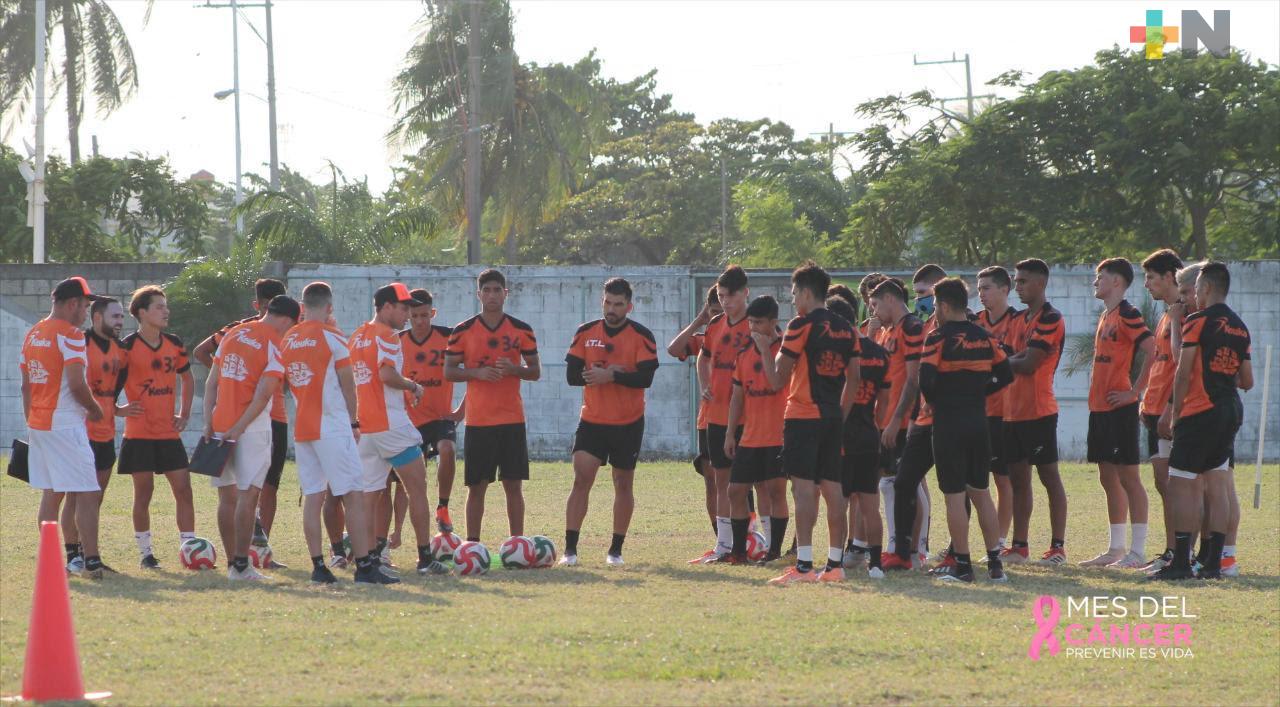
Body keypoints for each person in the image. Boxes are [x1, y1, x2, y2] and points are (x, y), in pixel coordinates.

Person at [280, 282, 385, 584]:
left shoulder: (289, 339)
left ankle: (318, 566)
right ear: (329, 308)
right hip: (332, 425)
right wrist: (354, 421)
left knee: (314, 496)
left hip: (303, 428)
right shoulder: (332, 336)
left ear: (302, 307)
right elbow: (348, 382)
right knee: (352, 493)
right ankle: (365, 566)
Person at [1154, 262, 1252, 581]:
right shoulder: (1240, 327)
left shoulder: (1197, 321)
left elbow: (1183, 371)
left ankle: (1181, 562)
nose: (1193, 294)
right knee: (1217, 484)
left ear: (1207, 288)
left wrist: (1177, 411)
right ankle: (1213, 564)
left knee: (1181, 483)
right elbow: (1247, 380)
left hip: (1200, 410)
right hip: (1231, 410)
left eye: (1195, 288)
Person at [766, 261, 860, 585]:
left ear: (806, 292)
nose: (793, 300)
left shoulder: (800, 325)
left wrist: (767, 349)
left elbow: (778, 379)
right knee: (834, 492)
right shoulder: (848, 329)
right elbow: (855, 378)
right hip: (833, 417)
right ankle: (835, 566)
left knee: (803, 491)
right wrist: (840, 414)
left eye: (794, 293)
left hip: (803, 417)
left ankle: (804, 567)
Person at [918, 278, 1013, 583]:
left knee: (954, 496)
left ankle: (964, 566)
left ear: (944, 305)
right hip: (978, 422)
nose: (934, 311)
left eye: (935, 305)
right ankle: (996, 564)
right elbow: (1006, 374)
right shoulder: (985, 337)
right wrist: (980, 392)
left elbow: (926, 382)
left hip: (949, 424)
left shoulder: (936, 338)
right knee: (982, 492)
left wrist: (937, 402)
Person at [350, 283, 447, 577]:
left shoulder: (357, 336)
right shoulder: (388, 334)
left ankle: (366, 560)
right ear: (386, 306)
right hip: (391, 425)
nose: (408, 314)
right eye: (404, 307)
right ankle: (424, 559)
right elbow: (387, 374)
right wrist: (413, 385)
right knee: (417, 488)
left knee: (369, 497)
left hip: (366, 427)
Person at [561, 278, 660, 566]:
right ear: (601, 301)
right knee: (582, 479)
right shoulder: (585, 332)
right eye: (607, 302)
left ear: (629, 306)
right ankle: (570, 550)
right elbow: (571, 376)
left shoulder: (642, 336)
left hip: (628, 423)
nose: (612, 309)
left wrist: (614, 375)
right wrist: (596, 375)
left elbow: (646, 378)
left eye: (618, 304)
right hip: (592, 420)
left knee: (623, 484)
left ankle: (615, 550)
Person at [193, 278, 289, 563]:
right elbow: (261, 399)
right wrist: (240, 427)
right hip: (252, 427)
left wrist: (208, 421)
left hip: (219, 423)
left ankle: (234, 561)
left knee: (227, 497)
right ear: (287, 320)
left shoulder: (234, 333)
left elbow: (211, 383)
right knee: (249, 496)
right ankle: (242, 562)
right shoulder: (275, 344)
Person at [21, 278, 108, 579]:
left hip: (40, 423)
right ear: (72, 304)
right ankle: (91, 561)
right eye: (85, 306)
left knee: (52, 492)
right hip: (66, 422)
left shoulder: (33, 334)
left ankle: (54, 560)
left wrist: (32, 420)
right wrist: (95, 409)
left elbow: (26, 386)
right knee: (87, 492)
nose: (85, 313)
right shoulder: (71, 334)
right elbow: (76, 383)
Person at [445, 270, 541, 542]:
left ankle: (517, 543)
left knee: (513, 484)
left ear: (506, 293)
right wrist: (476, 373)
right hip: (479, 421)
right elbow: (449, 371)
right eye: (486, 290)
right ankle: (472, 544)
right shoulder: (462, 331)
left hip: (512, 418)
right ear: (479, 294)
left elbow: (535, 371)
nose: (492, 295)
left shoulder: (522, 329)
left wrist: (513, 369)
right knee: (477, 486)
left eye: (497, 289)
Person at [1082, 258, 1155, 569]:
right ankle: (1115, 549)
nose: (1095, 282)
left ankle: (1137, 552)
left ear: (1116, 282)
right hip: (1099, 409)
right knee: (1106, 476)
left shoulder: (1128, 313)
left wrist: (1134, 391)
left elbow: (1151, 348)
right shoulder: (1106, 314)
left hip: (1119, 410)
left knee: (1129, 477)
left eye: (1101, 277)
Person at [118, 285, 197, 569]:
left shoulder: (174, 343)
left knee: (184, 490)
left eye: (166, 306)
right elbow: (104, 386)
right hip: (138, 434)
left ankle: (189, 549)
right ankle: (145, 554)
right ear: (142, 313)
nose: (166, 311)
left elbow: (188, 380)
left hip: (168, 433)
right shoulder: (126, 347)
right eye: (159, 307)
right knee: (144, 493)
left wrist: (184, 413)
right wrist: (118, 410)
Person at [1000, 259, 1070, 566]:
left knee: (1049, 477)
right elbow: (1006, 355)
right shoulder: (1017, 320)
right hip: (1012, 411)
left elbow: (1028, 363)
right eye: (1016, 281)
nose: (1018, 287)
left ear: (1041, 283)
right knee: (1018, 480)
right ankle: (1020, 546)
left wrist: (1006, 361)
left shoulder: (1051, 318)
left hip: (1040, 411)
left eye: (1023, 281)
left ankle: (1057, 547)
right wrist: (1009, 359)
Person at [62, 296, 133, 574]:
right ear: (98, 318)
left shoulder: (121, 350)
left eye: (122, 318)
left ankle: (88, 552)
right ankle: (73, 556)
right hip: (80, 431)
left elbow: (116, 386)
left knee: (96, 498)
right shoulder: (80, 342)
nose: (120, 322)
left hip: (106, 432)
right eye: (115, 316)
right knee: (76, 497)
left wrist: (115, 408)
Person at [690, 266, 752, 563]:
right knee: (721, 481)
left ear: (745, 294)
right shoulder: (715, 326)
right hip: (716, 415)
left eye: (731, 296)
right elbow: (702, 356)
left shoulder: (756, 326)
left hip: (749, 418)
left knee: (758, 484)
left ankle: (760, 541)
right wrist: (705, 384)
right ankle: (724, 544)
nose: (726, 302)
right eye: (722, 296)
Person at [722, 295, 788, 564]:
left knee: (775, 491)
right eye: (751, 323)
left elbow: (776, 385)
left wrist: (764, 352)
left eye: (759, 323)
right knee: (735, 491)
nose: (753, 329)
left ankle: (774, 551)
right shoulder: (743, 355)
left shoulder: (786, 351)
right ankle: (739, 552)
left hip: (778, 435)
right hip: (750, 437)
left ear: (774, 322)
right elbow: (737, 397)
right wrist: (729, 433)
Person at [826, 295, 888, 578]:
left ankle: (835, 562)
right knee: (870, 504)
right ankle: (875, 563)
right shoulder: (879, 352)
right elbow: (884, 402)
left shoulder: (838, 354)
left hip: (842, 435)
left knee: (839, 502)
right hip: (869, 432)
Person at [868, 278, 928, 569]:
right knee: (891, 484)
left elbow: (913, 380)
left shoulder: (912, 328)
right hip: (884, 420)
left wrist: (895, 421)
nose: (874, 312)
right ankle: (899, 547)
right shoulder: (885, 331)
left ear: (890, 298)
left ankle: (915, 550)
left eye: (876, 304)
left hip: (902, 421)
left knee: (907, 484)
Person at [399, 289, 464, 534]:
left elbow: (477, 373)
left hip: (440, 418)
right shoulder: (397, 341)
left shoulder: (450, 337)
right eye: (414, 316)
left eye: (425, 315)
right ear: (407, 315)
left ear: (433, 313)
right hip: (407, 421)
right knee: (406, 480)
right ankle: (395, 533)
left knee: (447, 449)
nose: (420, 321)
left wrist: (461, 411)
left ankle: (443, 507)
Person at [1137, 249, 1183, 572]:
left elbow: (1182, 366)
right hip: (1153, 410)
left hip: (1170, 412)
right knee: (1162, 482)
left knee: (1177, 484)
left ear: (1170, 277)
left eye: (1151, 277)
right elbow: (1160, 365)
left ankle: (1185, 551)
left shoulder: (1183, 312)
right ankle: (1171, 550)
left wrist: (1169, 408)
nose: (1147, 285)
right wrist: (1146, 401)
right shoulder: (1167, 315)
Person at [668, 286, 724, 547]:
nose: (718, 316)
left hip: (739, 416)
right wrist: (700, 320)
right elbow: (673, 348)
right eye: (713, 311)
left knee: (740, 482)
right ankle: (720, 539)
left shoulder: (742, 336)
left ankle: (749, 535)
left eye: (721, 311)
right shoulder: (704, 337)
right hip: (708, 419)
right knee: (712, 482)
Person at [975, 266, 1019, 557]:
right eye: (979, 289)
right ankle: (963, 542)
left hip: (1006, 411)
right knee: (974, 480)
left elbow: (1017, 361)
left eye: (987, 288)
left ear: (1005, 289)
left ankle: (1000, 540)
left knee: (1004, 478)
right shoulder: (974, 322)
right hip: (976, 412)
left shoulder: (1018, 322)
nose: (982, 294)